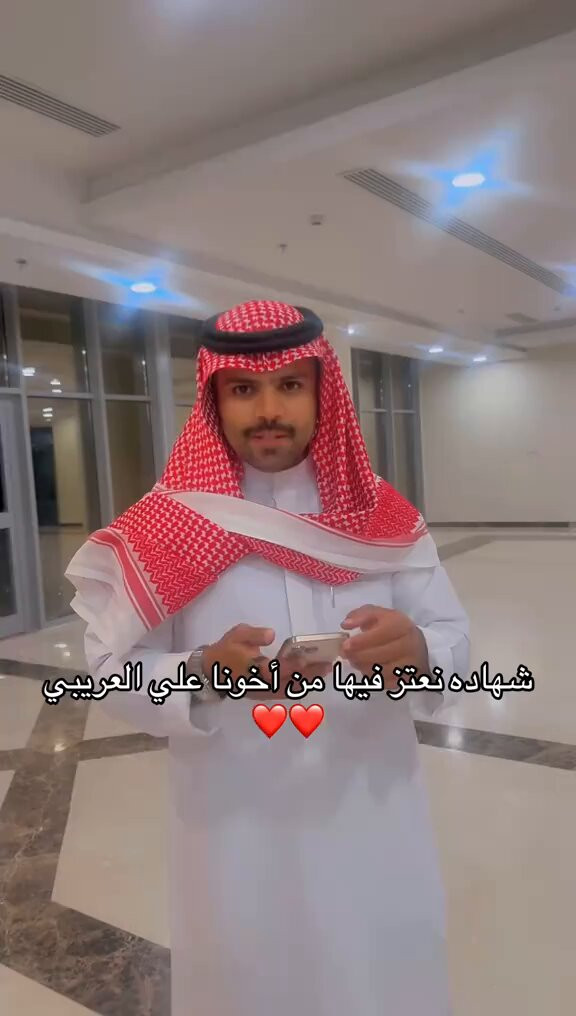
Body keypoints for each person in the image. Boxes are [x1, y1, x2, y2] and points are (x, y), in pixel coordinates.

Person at [66, 299, 469, 1016]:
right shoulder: (167, 526)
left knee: (381, 984)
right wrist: (201, 674)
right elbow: (109, 671)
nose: (269, 410)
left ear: (321, 392)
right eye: (244, 389)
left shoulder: (382, 515)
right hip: (237, 832)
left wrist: (421, 650)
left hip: (372, 821)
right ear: (214, 399)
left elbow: (455, 641)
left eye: (289, 385)